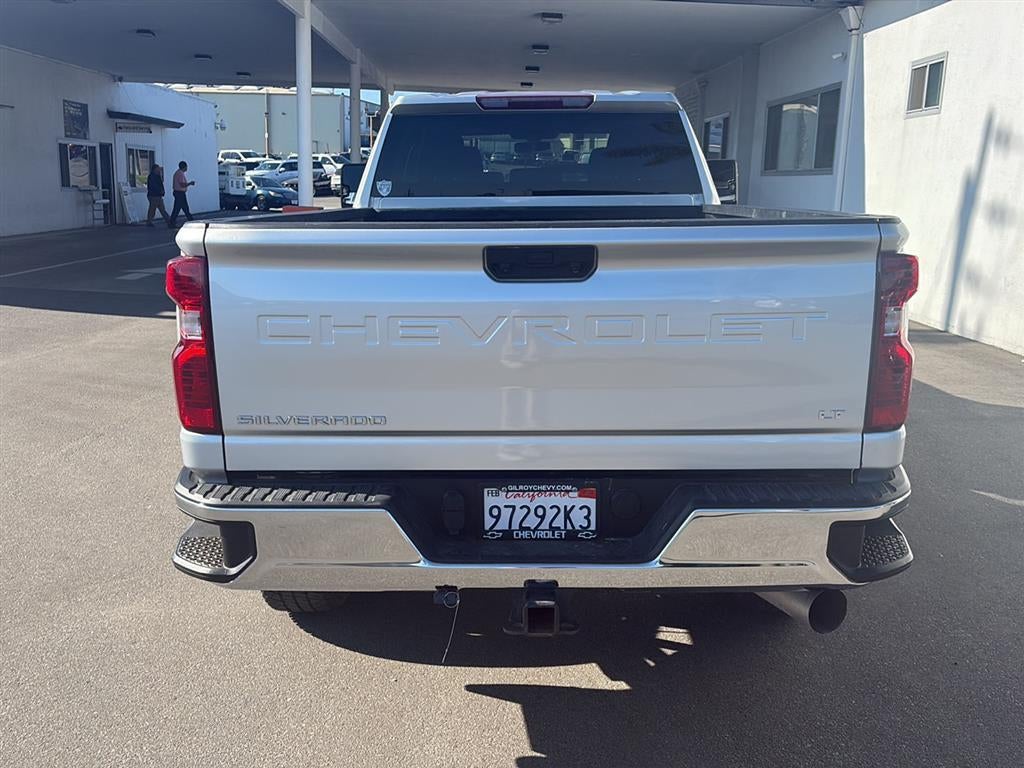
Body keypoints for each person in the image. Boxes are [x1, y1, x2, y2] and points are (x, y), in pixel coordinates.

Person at [169, 160, 195, 227]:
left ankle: (190, 219)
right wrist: (190, 183)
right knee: (178, 208)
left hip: (179, 193)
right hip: (179, 193)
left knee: (183, 208)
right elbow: (182, 184)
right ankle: (172, 222)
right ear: (184, 167)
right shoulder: (180, 173)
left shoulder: (178, 173)